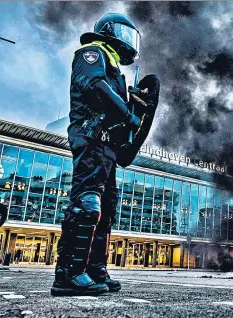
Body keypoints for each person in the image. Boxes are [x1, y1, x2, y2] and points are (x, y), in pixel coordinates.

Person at [51, 13, 159, 296]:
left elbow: (119, 114)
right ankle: (69, 273)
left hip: (108, 146)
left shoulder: (113, 66)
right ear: (109, 31)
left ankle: (95, 268)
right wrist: (127, 114)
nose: (129, 41)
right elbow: (94, 87)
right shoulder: (93, 53)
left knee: (106, 208)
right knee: (87, 203)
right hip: (91, 137)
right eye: (125, 33)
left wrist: (138, 107)